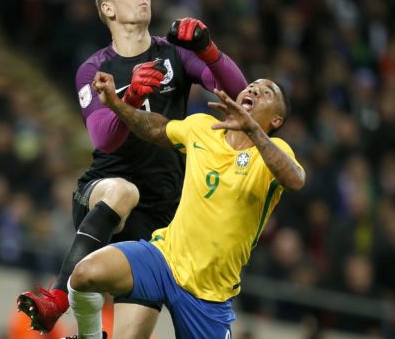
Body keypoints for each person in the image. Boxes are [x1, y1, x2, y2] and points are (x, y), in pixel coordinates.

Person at [17, 0, 248, 338]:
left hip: (162, 218)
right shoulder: (93, 68)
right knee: (124, 189)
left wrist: (208, 50)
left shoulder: (174, 55)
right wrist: (131, 95)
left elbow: (238, 94)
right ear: (108, 8)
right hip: (102, 197)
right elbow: (104, 139)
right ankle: (56, 296)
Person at [67, 72, 305, 338]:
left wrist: (253, 130)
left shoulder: (274, 151)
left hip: (209, 295)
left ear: (276, 120)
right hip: (164, 259)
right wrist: (117, 104)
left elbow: (295, 179)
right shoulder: (203, 128)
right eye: (252, 86)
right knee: (84, 275)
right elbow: (157, 128)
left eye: (267, 92)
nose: (255, 90)